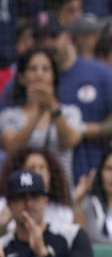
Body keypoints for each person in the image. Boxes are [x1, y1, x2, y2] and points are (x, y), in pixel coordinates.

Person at [27, 12, 112, 184]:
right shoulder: (22, 79)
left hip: (91, 180)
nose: (47, 44)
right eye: (40, 39)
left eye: (53, 36)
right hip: (34, 187)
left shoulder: (99, 73)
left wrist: (80, 129)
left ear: (68, 38)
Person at [0, 48, 83, 182]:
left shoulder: (70, 112)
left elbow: (70, 141)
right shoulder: (9, 115)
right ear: (21, 77)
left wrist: (53, 107)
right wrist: (37, 113)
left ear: (53, 76)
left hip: (60, 192)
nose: (39, 74)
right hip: (21, 193)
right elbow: (12, 148)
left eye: (45, 69)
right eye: (32, 69)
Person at [0, 147, 74, 229]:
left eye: (42, 168)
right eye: (32, 168)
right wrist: (2, 225)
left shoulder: (62, 211)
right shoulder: (4, 204)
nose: (38, 173)